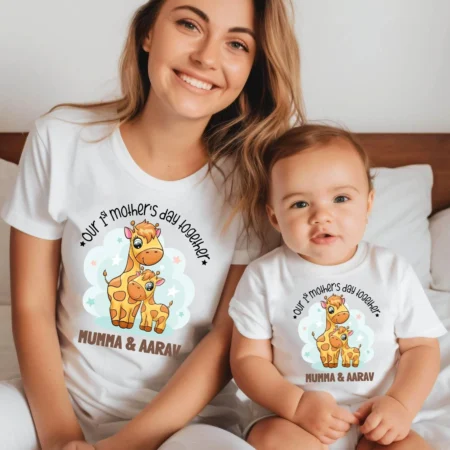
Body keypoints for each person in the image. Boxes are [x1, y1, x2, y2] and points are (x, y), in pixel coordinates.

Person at [0, 0, 304, 449]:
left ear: (252, 69)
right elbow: (32, 305)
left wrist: (119, 447)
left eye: (237, 44)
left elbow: (225, 338)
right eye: (189, 24)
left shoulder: (254, 179)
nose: (206, 57)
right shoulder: (62, 138)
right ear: (148, 33)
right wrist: (63, 439)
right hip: (55, 409)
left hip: (189, 425)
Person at [229, 124, 447, 450]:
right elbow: (248, 359)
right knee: (273, 439)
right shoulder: (264, 276)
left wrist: (401, 405)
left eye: (340, 198)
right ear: (274, 218)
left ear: (368, 204)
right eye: (300, 204)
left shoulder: (392, 270)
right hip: (290, 418)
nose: (322, 216)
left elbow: (421, 349)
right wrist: (296, 405)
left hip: (374, 417)